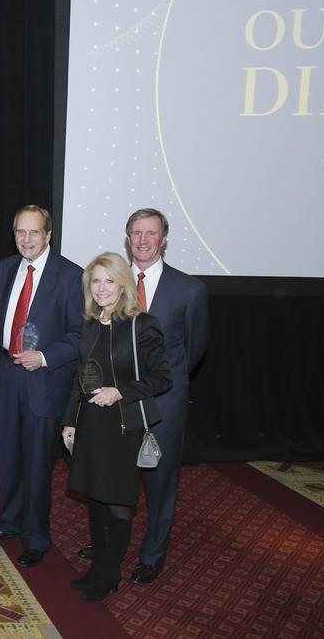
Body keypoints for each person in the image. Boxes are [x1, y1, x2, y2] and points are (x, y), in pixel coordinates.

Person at [0, 206, 83, 568]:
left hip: (44, 380)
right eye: (20, 232)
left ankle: (37, 536)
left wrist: (46, 357)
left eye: (34, 232)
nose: (26, 239)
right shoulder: (7, 268)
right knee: (9, 456)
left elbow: (80, 335)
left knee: (38, 464)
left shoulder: (70, 276)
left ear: (48, 235)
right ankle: (10, 522)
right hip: (7, 375)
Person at [62, 252, 172, 601]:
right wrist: (69, 421)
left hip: (124, 426)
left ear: (123, 284)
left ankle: (109, 573)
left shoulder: (143, 324)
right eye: (95, 281)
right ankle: (97, 568)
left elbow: (162, 378)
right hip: (91, 422)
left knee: (118, 502)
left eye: (109, 280)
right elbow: (79, 377)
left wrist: (119, 392)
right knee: (95, 496)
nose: (102, 288)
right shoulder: (91, 323)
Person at [120, 208, 208, 584]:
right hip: (119, 402)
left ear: (164, 240)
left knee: (159, 485)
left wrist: (158, 388)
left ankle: (153, 554)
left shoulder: (189, 290)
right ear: (128, 239)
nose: (142, 241)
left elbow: (194, 350)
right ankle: (113, 543)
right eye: (136, 234)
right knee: (116, 481)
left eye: (150, 234)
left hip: (163, 407)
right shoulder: (113, 283)